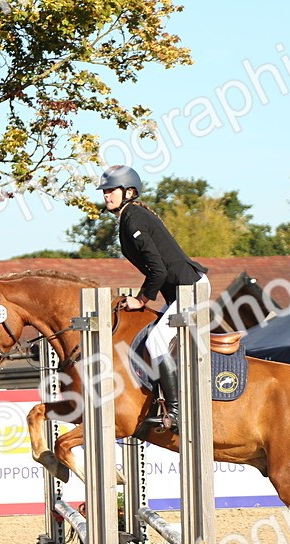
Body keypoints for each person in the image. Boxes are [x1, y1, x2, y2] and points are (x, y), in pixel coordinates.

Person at [97, 164, 209, 431]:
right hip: (178, 292)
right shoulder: (129, 218)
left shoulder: (133, 218)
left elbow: (157, 270)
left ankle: (176, 412)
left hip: (190, 289)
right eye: (105, 191)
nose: (106, 195)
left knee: (157, 341)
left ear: (129, 192)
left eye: (111, 190)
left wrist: (141, 299)